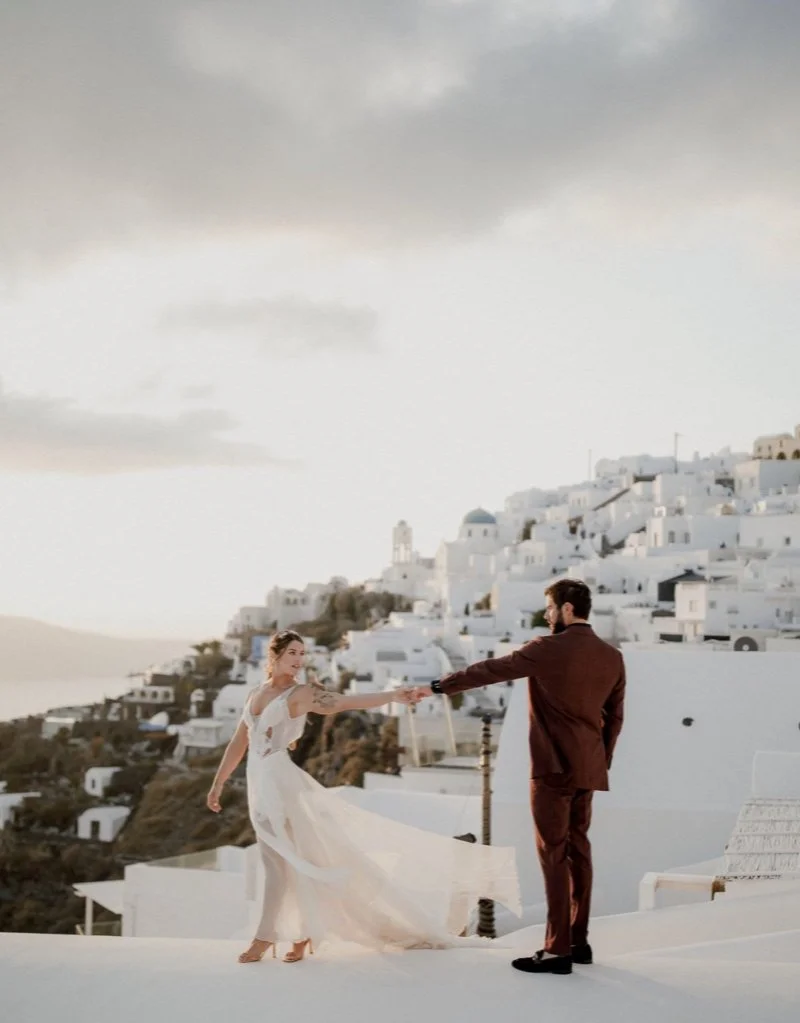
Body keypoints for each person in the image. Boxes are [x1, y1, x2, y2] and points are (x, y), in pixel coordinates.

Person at [207, 630, 520, 964]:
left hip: (281, 783)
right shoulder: (256, 693)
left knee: (282, 864)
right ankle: (304, 933)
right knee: (299, 861)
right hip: (259, 783)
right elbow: (239, 742)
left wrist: (392, 696)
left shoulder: (299, 694)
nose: (299, 660)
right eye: (292, 653)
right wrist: (218, 784)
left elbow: (344, 702)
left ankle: (264, 937)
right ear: (275, 655)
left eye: (302, 654)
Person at [412, 580, 625, 976]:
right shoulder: (612, 656)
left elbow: (490, 670)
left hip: (552, 768)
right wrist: (600, 760)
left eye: (549, 608)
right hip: (588, 767)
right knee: (580, 851)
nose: (546, 615)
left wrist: (440, 686)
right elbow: (615, 719)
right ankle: (579, 942)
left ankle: (556, 949)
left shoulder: (547, 649)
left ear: (565, 609)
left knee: (553, 855)